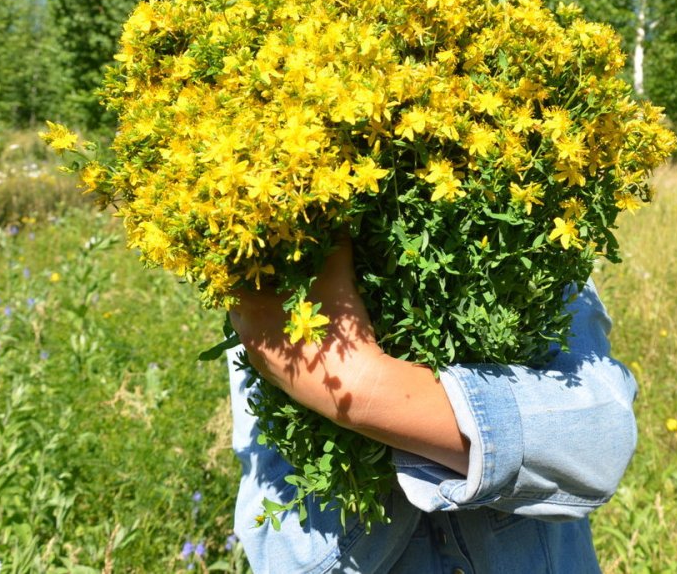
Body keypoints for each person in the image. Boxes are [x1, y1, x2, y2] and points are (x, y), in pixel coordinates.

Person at [227, 242, 639, 573]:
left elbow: (599, 443)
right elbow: (280, 555)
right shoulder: (266, 268)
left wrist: (361, 387)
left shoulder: (542, 235)